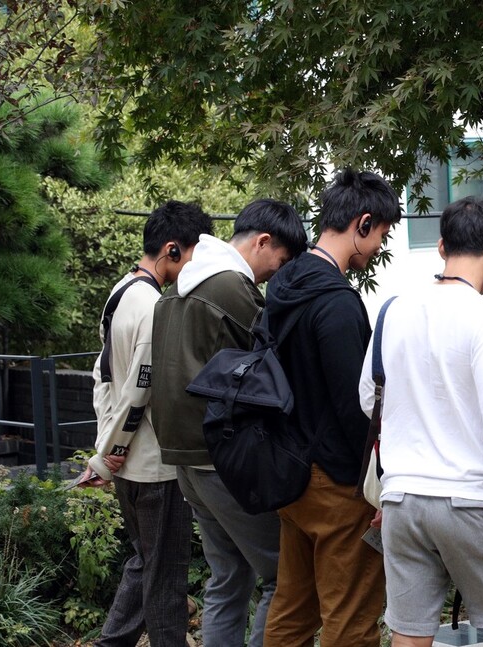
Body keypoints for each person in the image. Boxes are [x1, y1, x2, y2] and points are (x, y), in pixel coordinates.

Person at [359, 196, 483, 647]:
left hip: (403, 502)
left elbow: (369, 399)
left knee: (409, 631)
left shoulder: (393, 310)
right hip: (474, 501)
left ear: (442, 246)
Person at [150, 199, 307, 647]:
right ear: (263, 242)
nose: (274, 275)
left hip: (183, 457)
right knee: (286, 575)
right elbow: (275, 363)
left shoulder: (177, 288)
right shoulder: (230, 287)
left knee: (228, 576)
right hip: (222, 457)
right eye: (279, 263)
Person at [261, 169, 401, 647]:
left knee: (293, 610)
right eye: (381, 234)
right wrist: (380, 483)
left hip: (290, 473)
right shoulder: (338, 302)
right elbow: (355, 407)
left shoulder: (281, 288)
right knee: (351, 618)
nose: (379, 246)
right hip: (338, 483)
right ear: (362, 223)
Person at [83, 200, 213, 647]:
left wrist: (106, 450)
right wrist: (108, 457)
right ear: (172, 250)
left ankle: (109, 643)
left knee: (145, 563)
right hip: (155, 467)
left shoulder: (119, 293)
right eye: (192, 255)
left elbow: (103, 376)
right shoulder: (155, 306)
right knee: (166, 581)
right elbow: (140, 389)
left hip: (127, 469)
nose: (192, 267)